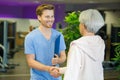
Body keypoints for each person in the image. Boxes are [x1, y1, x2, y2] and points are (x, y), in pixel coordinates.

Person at [60, 9, 105, 80]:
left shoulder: (77, 46)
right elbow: (87, 67)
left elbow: (72, 73)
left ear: (83, 25)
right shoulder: (100, 43)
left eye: (80, 23)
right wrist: (60, 70)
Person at [24, 4, 66, 80]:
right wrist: (48, 68)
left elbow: (63, 56)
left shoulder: (59, 36)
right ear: (39, 17)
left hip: (55, 77)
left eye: (52, 16)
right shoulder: (30, 37)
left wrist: (58, 60)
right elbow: (30, 61)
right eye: (47, 17)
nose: (50, 19)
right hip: (38, 77)